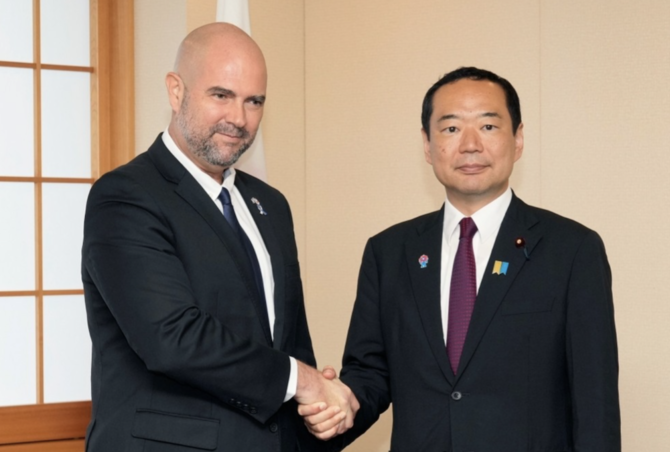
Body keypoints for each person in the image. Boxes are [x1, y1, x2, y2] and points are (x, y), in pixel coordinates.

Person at [300, 67, 621, 451]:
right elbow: (370, 374)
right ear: (427, 144)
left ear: (518, 139)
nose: (470, 145)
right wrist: (338, 407)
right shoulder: (389, 252)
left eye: (488, 126)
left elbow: (595, 402)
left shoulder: (571, 250)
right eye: (451, 128)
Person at [82, 23, 356, 452]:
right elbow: (172, 338)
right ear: (176, 91)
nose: (238, 118)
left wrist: (320, 407)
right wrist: (303, 381)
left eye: (254, 101)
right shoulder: (125, 196)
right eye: (221, 95)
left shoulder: (271, 205)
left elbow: (289, 343)